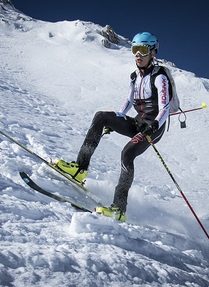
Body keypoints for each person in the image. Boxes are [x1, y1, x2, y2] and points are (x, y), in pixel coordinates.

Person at [56, 32, 171, 222]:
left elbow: (165, 106)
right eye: (135, 50)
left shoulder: (159, 77)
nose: (138, 55)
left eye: (143, 50)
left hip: (154, 127)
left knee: (127, 153)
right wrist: (116, 118)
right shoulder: (135, 76)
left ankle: (119, 209)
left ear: (153, 52)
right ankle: (80, 168)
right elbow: (128, 100)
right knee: (101, 117)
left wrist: (155, 125)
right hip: (138, 122)